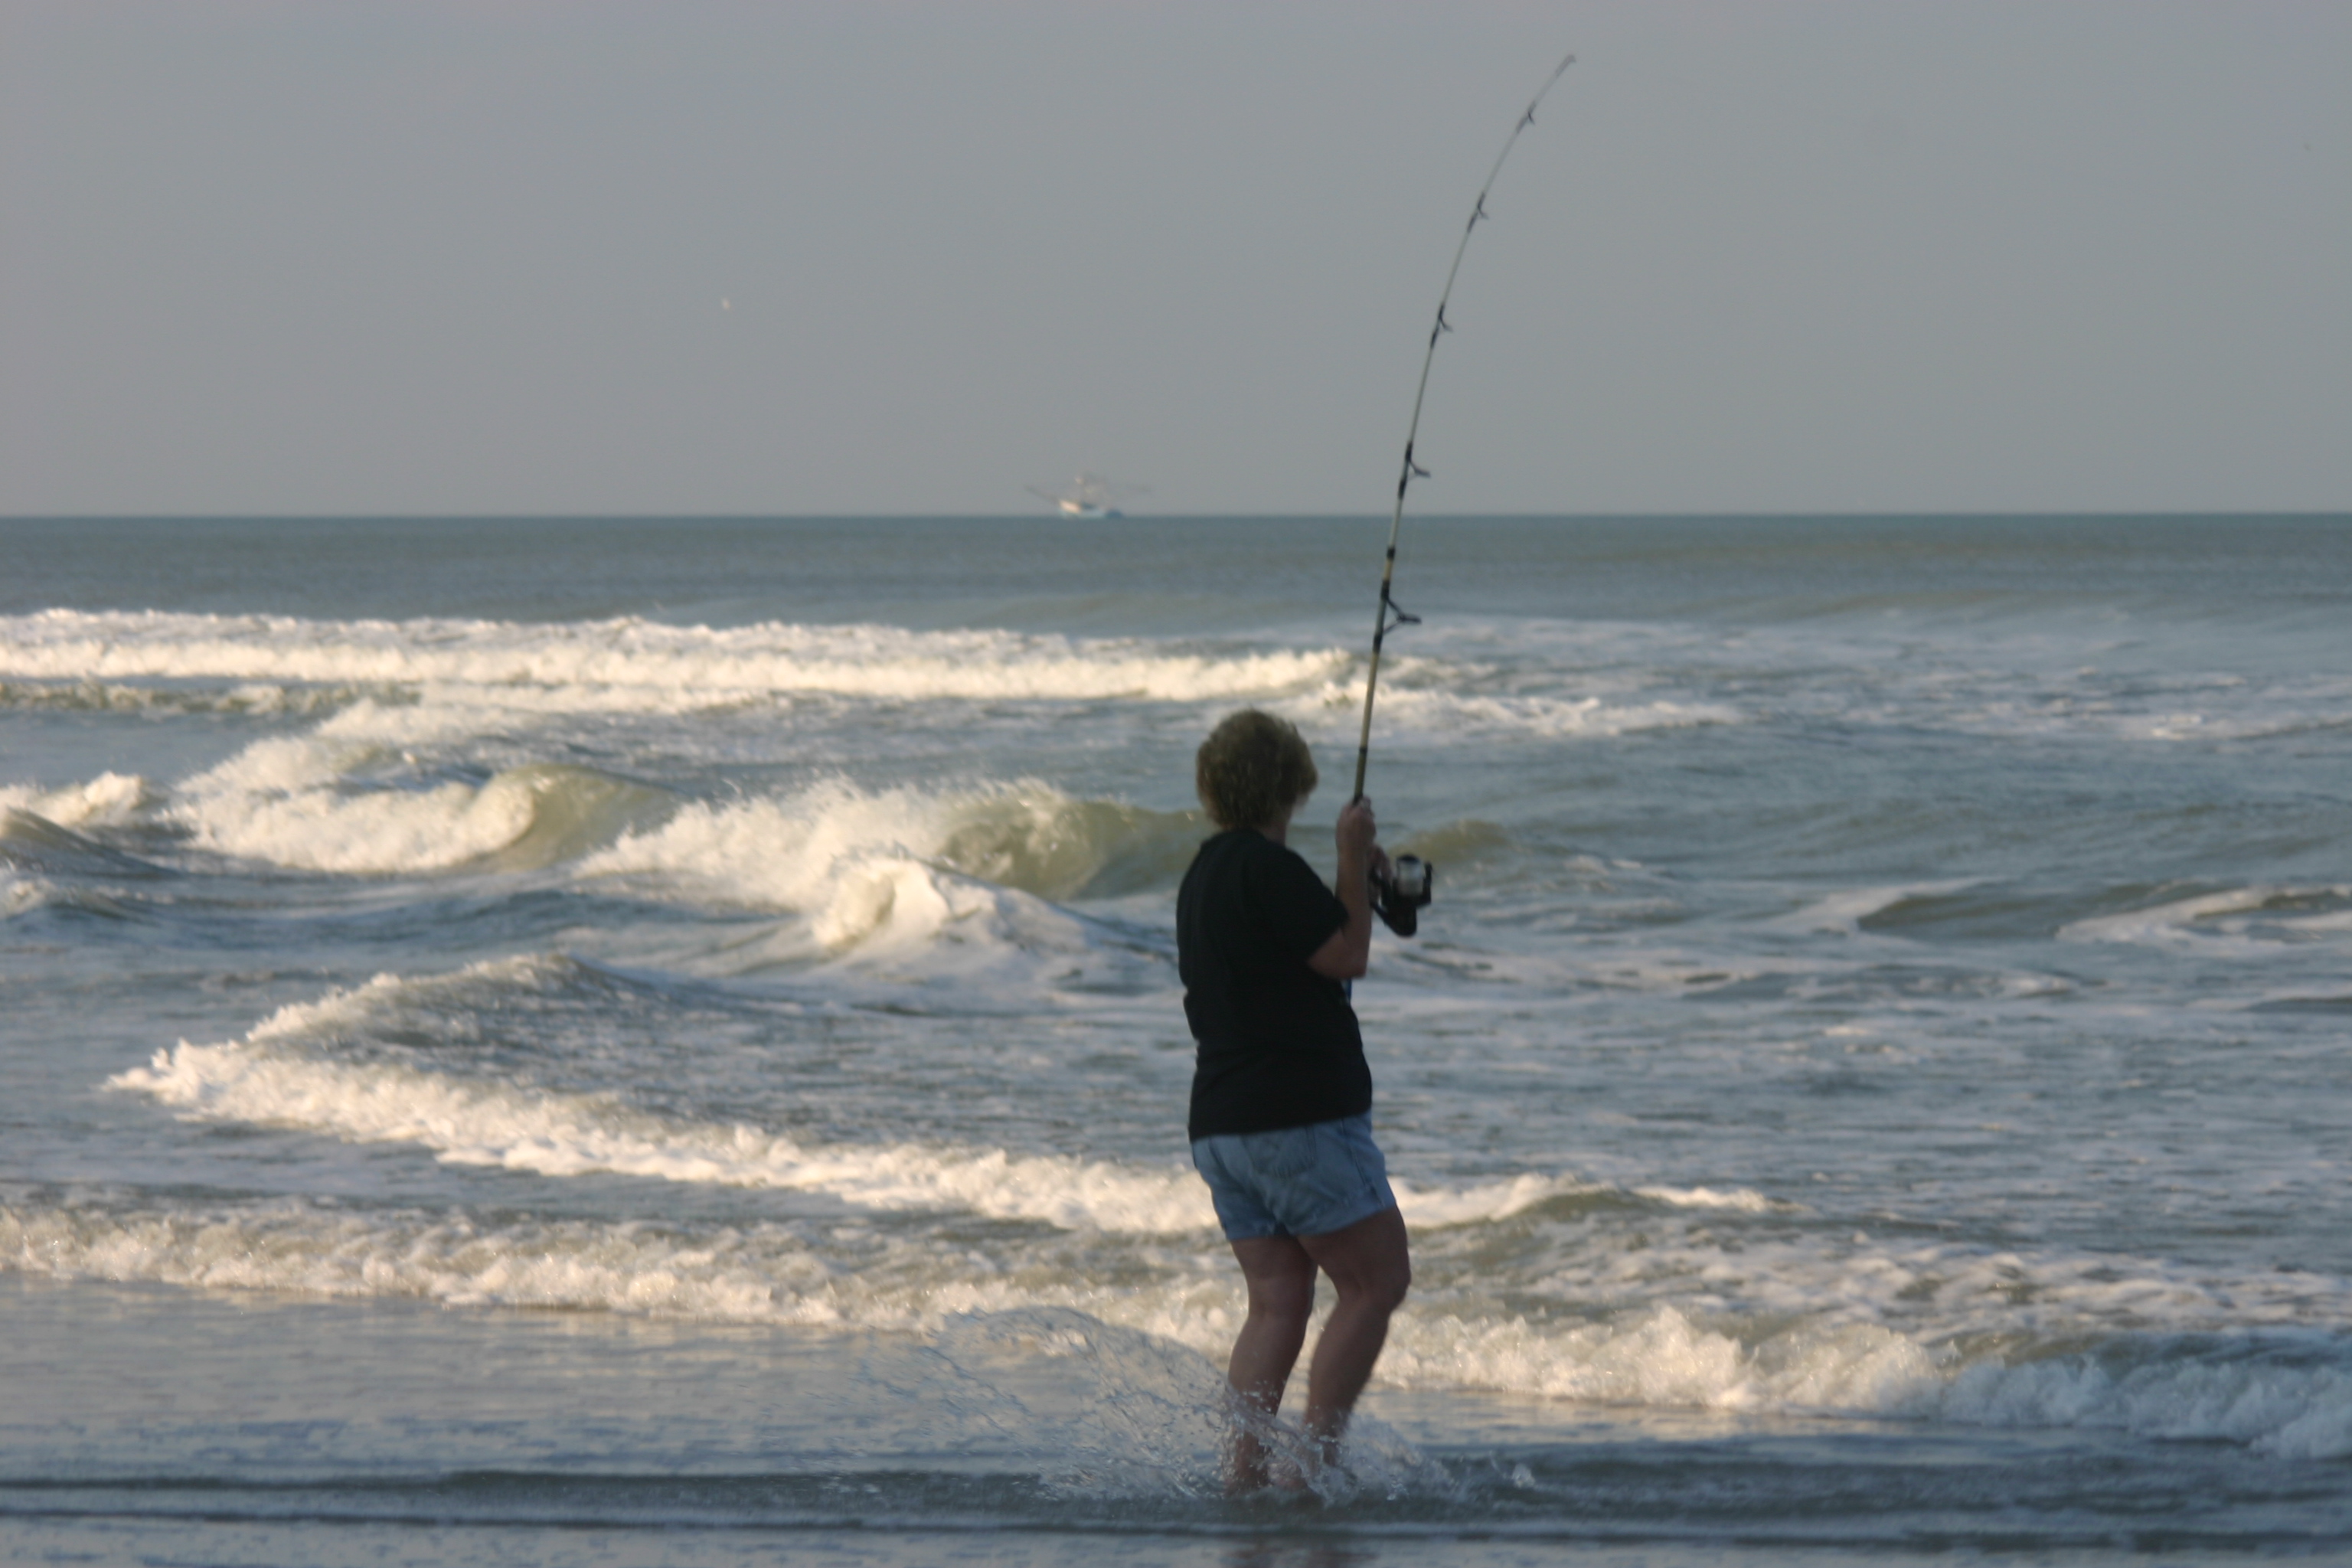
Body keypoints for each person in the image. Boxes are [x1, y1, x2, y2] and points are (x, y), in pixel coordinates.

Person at [1178, 708, 1411, 1491]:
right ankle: (1309, 1467)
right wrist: (1350, 856)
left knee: (1277, 1299)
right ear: (1293, 784)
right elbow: (1347, 953)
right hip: (1296, 1117)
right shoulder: (1268, 869)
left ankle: (1243, 1475)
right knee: (1376, 1281)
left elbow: (1301, 958)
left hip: (1223, 1122)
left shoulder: (1206, 872)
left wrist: (1354, 877)